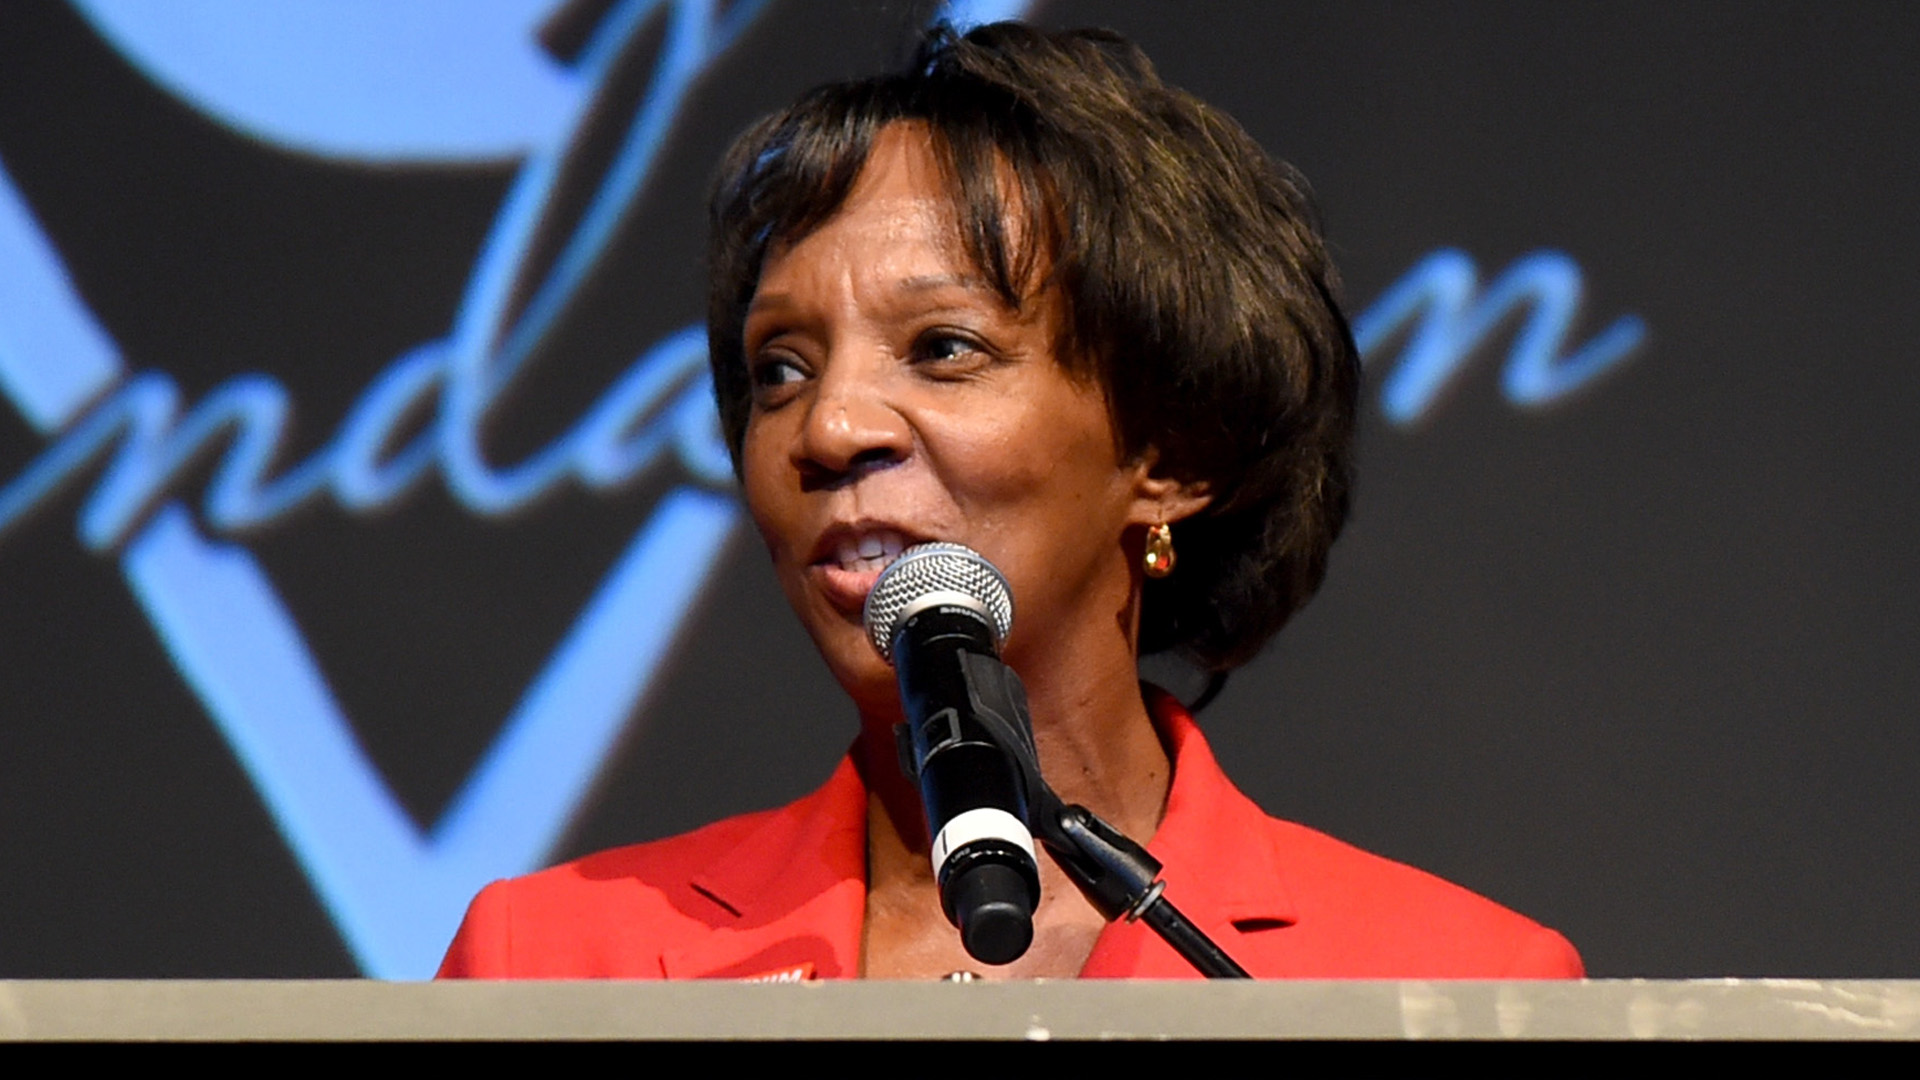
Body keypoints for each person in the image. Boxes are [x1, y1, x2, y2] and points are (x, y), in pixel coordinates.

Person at [438, 22, 1582, 980]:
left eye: (942, 348)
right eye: (781, 366)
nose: (829, 429)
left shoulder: (1450, 980)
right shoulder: (549, 958)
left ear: (1174, 454)